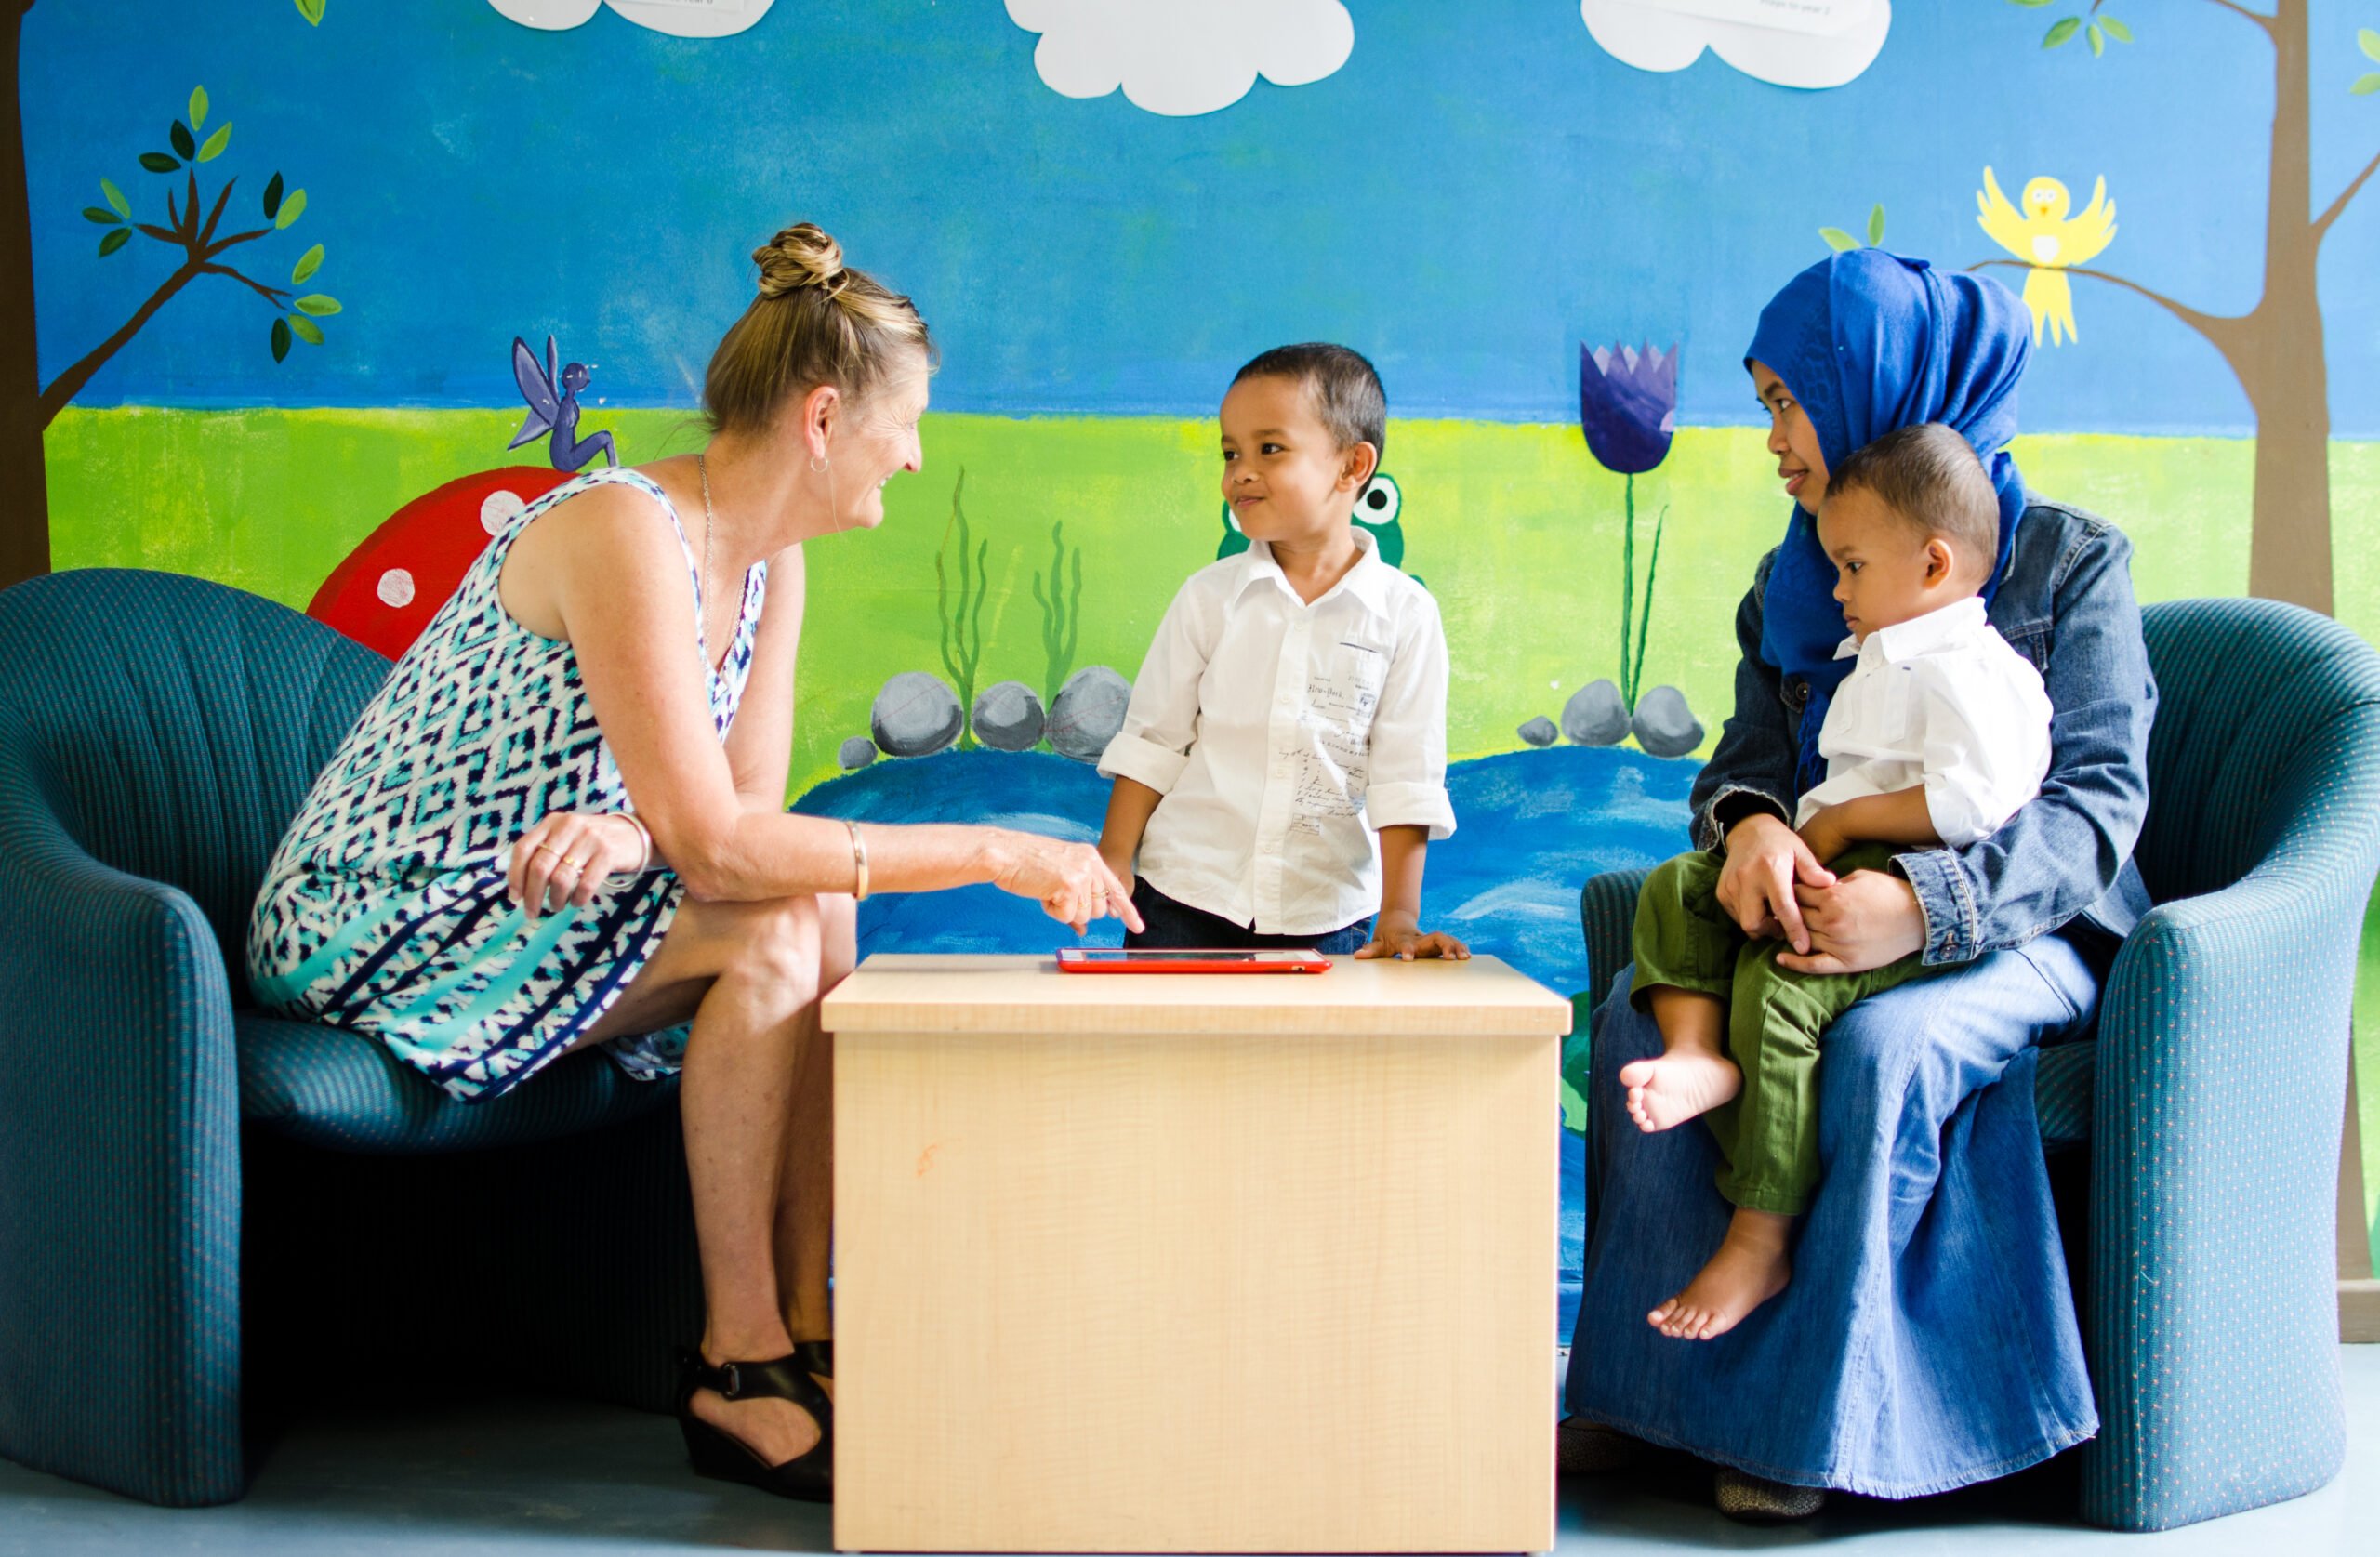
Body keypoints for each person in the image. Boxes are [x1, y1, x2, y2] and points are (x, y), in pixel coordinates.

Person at [246, 222, 1140, 1505]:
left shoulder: (771, 565)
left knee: (810, 898)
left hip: (546, 886)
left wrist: (634, 827)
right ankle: (738, 1358)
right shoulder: (626, 523)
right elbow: (723, 849)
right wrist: (996, 849)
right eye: (912, 420)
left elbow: (746, 813)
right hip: (381, 910)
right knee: (780, 921)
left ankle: (801, 1329)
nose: (919, 451)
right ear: (826, 417)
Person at [1560, 249, 2156, 1521]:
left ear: (1875, 383)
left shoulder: (2066, 562)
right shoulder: (1800, 581)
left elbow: (2095, 803)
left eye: (1788, 398)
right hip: (1835, 889)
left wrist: (1925, 904)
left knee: (1883, 1040)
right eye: (1768, 400)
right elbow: (1746, 767)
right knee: (1636, 1019)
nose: (1773, 437)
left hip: (2026, 922)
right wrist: (1756, 834)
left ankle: (1809, 1429)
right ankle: (1653, 1390)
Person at [1620, 422, 2054, 1342]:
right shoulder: (1884, 651)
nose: (1837, 588)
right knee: (1674, 889)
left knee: (1782, 992)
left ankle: (1759, 1230)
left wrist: (1849, 823)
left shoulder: (1968, 668)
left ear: (1933, 564)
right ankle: (1698, 1052)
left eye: (1851, 567)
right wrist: (1773, 834)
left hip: (1904, 877)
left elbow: (1977, 798)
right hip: (1825, 849)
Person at [1095, 343, 1467, 961]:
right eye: (1230, 451)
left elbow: (1406, 776)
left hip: (1330, 913)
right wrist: (1115, 857)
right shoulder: (1208, 599)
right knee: (1172, 1060)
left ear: (1352, 466)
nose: (1240, 470)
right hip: (1185, 895)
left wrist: (1399, 916)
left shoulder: (1406, 616)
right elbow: (1153, 741)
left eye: (1270, 448)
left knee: (1311, 1063)